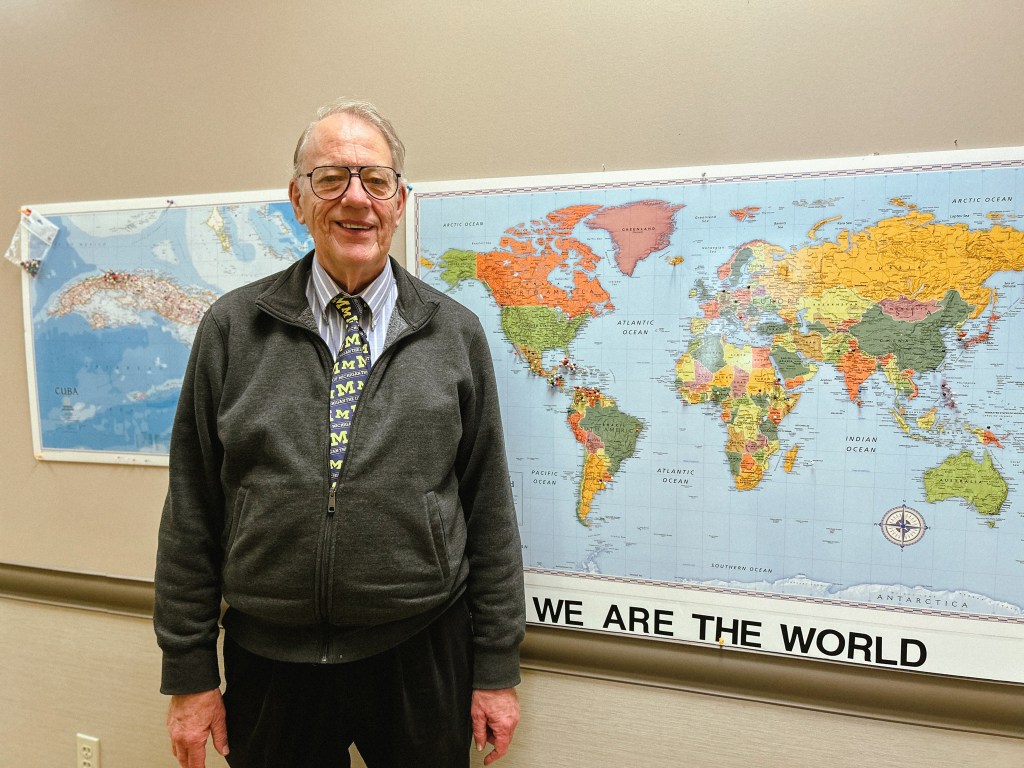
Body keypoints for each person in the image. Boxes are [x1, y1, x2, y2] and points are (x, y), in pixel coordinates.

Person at [154, 98, 525, 768]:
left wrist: (496, 666)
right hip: (270, 659)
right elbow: (191, 509)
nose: (356, 199)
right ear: (297, 199)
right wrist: (189, 672)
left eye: (375, 180)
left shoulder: (454, 333)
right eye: (330, 178)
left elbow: (489, 506)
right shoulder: (232, 329)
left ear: (399, 202)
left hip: (420, 652)